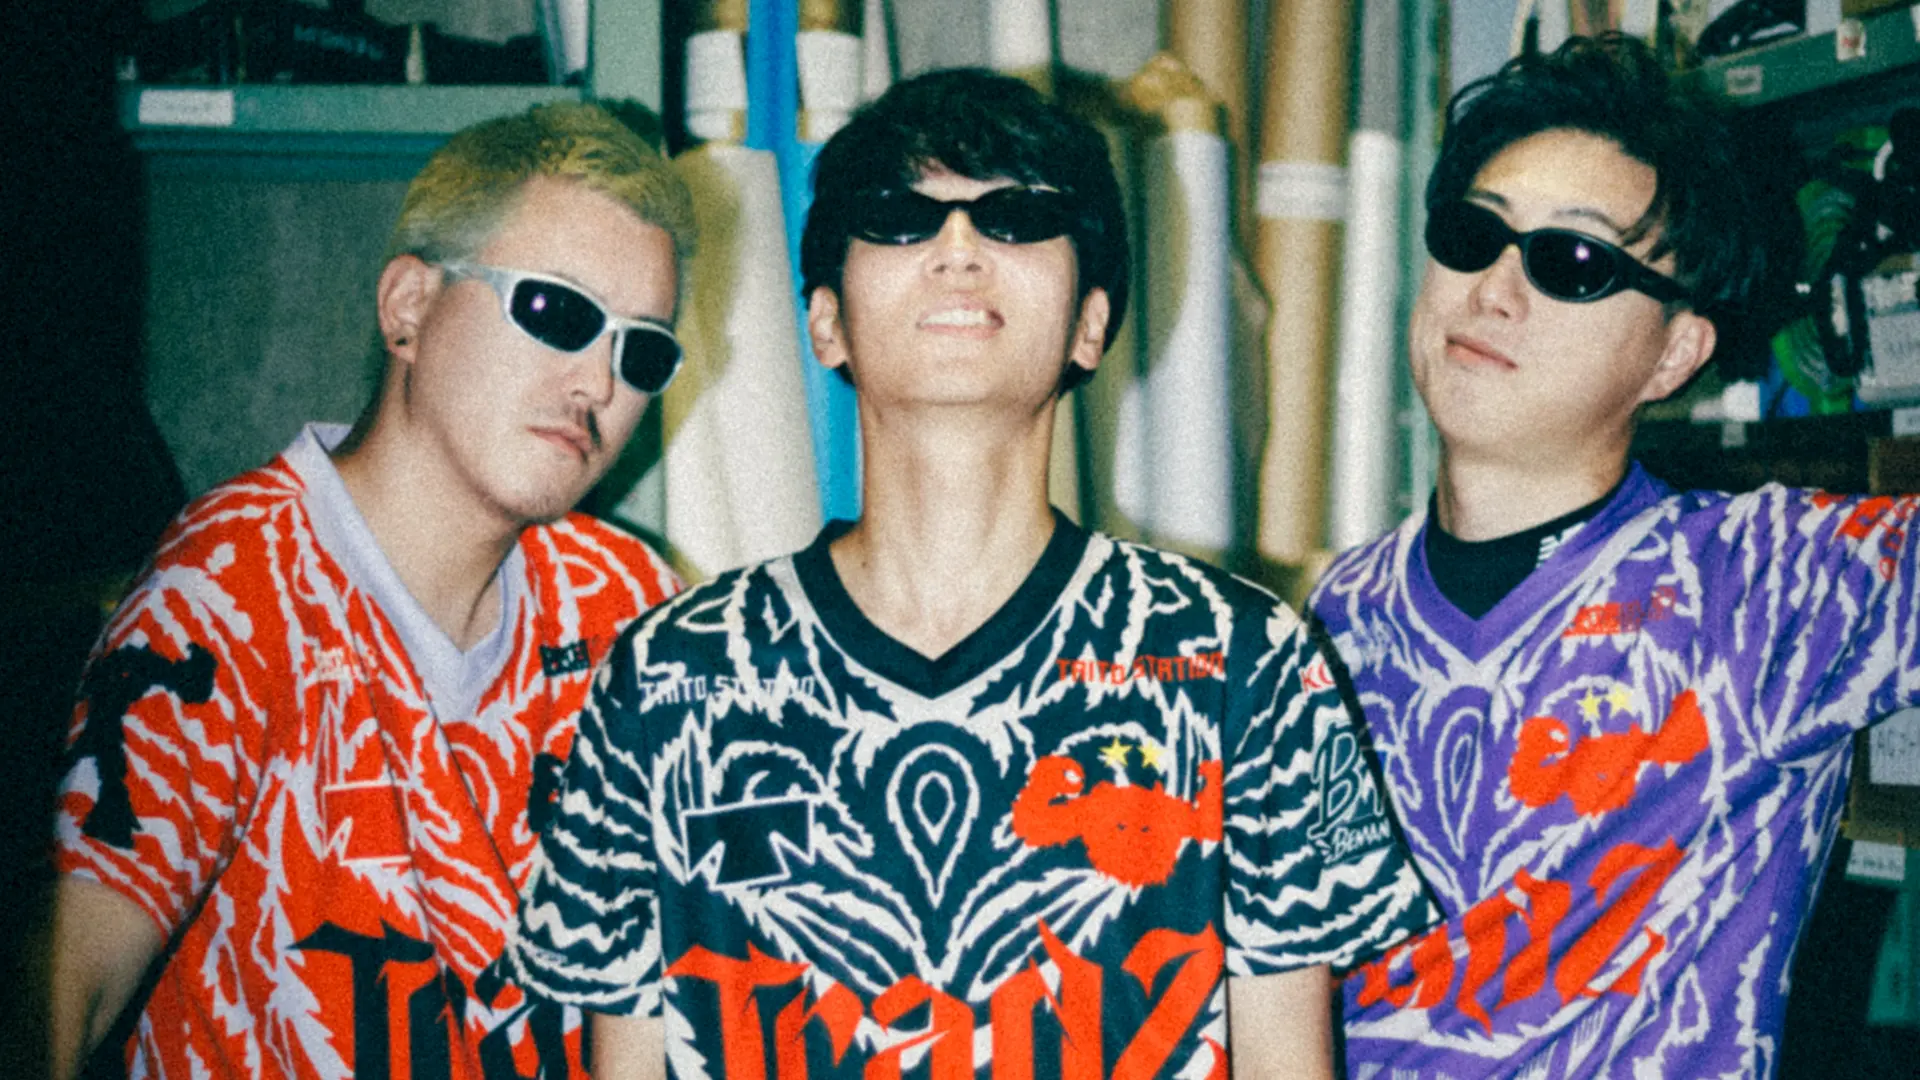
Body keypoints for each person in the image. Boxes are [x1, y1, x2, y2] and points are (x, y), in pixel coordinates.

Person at [504, 68, 1435, 1078]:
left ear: (1090, 324)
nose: (958, 248)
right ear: (825, 321)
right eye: (901, 218)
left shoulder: (1239, 662)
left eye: (1016, 218)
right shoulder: (667, 677)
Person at [1309, 33, 1917, 1079]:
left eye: (1573, 262)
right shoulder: (1337, 613)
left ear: (1674, 354)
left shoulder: (1767, 586)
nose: (1494, 290)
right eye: (1474, 235)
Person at [48, 101, 695, 1079]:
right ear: (409, 307)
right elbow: (69, 984)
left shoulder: (623, 599)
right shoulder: (236, 585)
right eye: (557, 312)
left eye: (641, 350)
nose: (598, 383)